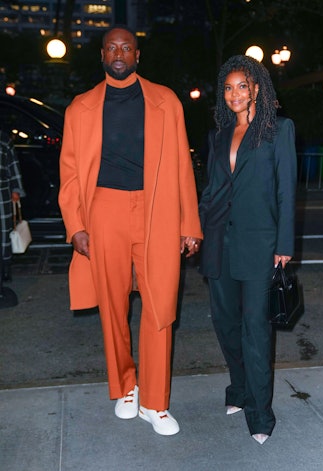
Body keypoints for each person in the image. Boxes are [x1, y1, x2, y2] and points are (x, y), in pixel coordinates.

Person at [58, 25, 202, 436]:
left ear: (138, 56)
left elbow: (181, 167)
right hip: (104, 210)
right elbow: (69, 176)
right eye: (111, 48)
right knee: (113, 306)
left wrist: (188, 224)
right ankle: (126, 388)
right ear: (102, 55)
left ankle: (155, 403)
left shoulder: (165, 101)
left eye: (126, 47)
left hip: (156, 208)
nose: (118, 53)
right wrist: (76, 226)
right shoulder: (80, 107)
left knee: (160, 306)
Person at [198, 55, 297, 445]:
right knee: (226, 325)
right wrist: (196, 231)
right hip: (220, 242)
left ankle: (260, 413)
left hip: (260, 245)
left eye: (242, 86)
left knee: (256, 329)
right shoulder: (220, 136)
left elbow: (286, 191)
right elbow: (212, 192)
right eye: (228, 87)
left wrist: (284, 244)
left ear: (256, 88)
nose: (235, 93)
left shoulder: (279, 130)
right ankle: (238, 391)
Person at [0, 130, 25, 282]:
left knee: (4, 233)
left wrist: (16, 190)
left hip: (2, 193)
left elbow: (13, 164)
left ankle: (4, 268)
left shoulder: (3, 138)